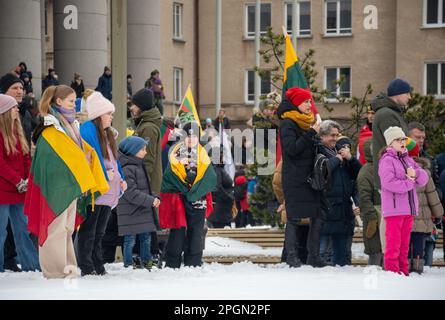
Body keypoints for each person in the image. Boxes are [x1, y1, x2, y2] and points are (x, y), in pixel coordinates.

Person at [25, 85, 108, 279]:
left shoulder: (69, 126)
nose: (75, 105)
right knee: (55, 228)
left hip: (69, 185)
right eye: (71, 101)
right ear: (59, 102)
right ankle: (54, 270)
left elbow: (75, 153)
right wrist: (81, 161)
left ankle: (68, 266)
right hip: (56, 187)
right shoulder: (51, 127)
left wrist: (86, 160)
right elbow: (50, 158)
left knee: (67, 228)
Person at [77, 91, 127, 276]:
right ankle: (87, 266)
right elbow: (90, 160)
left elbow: (114, 160)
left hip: (108, 190)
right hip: (96, 190)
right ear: (99, 115)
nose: (112, 117)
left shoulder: (107, 135)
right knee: (89, 232)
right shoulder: (88, 131)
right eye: (109, 114)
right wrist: (105, 174)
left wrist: (121, 179)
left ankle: (98, 265)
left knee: (99, 233)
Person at [277, 87, 324, 268]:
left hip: (310, 177)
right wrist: (312, 133)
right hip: (295, 178)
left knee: (317, 215)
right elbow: (292, 149)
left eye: (310, 101)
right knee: (294, 218)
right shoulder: (288, 123)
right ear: (296, 103)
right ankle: (292, 257)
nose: (309, 105)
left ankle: (313, 256)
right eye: (305, 101)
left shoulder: (307, 122)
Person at [159, 122, 217, 268]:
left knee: (196, 231)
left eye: (194, 136)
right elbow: (168, 177)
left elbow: (210, 177)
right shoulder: (175, 154)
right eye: (187, 136)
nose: (190, 139)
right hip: (178, 198)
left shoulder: (204, 154)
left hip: (198, 197)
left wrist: (196, 186)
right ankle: (173, 262)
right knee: (178, 230)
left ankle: (193, 262)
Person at [378, 126, 428, 276]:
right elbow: (389, 183)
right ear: (390, 144)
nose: (402, 142)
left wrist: (416, 173)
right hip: (394, 210)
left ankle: (404, 273)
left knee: (404, 246)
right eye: (398, 140)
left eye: (403, 139)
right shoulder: (386, 160)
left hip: (408, 210)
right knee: (393, 246)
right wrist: (409, 180)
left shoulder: (407, 159)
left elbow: (423, 179)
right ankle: (393, 274)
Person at [0, 94, 40, 273]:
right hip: (4, 190)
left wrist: (27, 179)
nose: (18, 109)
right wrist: (17, 180)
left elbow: (26, 157)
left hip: (19, 189)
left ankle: (31, 266)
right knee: (1, 232)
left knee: (24, 229)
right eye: (14, 107)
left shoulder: (18, 130)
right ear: (5, 110)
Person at [117, 136, 161, 270]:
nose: (146, 152)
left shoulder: (139, 165)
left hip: (142, 209)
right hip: (131, 211)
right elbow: (131, 193)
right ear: (133, 150)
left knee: (146, 237)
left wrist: (154, 197)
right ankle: (128, 264)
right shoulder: (127, 169)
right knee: (130, 239)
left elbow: (144, 187)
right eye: (142, 149)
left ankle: (146, 261)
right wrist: (150, 200)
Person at [318, 131, 361, 267]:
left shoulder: (347, 163)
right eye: (343, 147)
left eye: (348, 148)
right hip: (326, 209)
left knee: (341, 254)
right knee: (322, 251)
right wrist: (337, 159)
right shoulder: (322, 154)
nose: (345, 150)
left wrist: (351, 159)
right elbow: (323, 172)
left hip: (343, 213)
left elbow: (359, 175)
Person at [409, 146, 443, 273]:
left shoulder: (400, 171)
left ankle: (406, 268)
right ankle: (418, 269)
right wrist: (438, 214)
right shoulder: (425, 173)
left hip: (406, 218)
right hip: (422, 218)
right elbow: (432, 195)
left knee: (406, 246)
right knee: (418, 246)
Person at [357, 139, 382, 266]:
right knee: (375, 252)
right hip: (374, 218)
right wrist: (372, 218)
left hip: (385, 217)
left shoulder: (383, 167)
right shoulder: (366, 172)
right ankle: (373, 280)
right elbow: (364, 198)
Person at [208, 149, 234, 228]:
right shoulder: (216, 169)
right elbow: (216, 188)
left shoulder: (218, 168)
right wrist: (229, 198)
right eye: (223, 156)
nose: (225, 158)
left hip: (221, 209)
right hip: (220, 210)